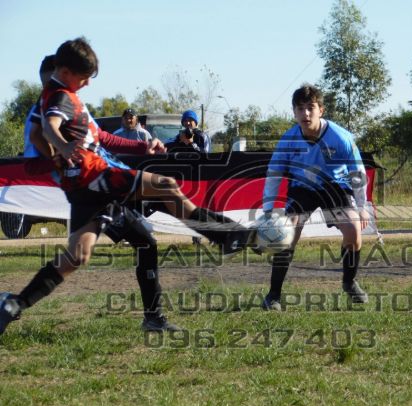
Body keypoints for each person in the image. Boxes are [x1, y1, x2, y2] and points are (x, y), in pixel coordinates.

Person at [0, 37, 253, 335]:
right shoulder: (59, 97)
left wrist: (141, 146)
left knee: (84, 254)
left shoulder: (55, 100)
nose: (87, 84)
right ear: (64, 72)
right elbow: (46, 134)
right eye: (84, 77)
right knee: (166, 187)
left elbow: (95, 137)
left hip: (88, 189)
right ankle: (226, 235)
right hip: (97, 180)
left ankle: (14, 305)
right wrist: (63, 152)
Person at [260, 84, 370, 311]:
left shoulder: (341, 138)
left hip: (335, 187)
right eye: (300, 109)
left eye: (311, 108)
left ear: (321, 110)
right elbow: (274, 173)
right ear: (294, 112)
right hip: (302, 188)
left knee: (353, 231)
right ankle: (273, 295)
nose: (306, 113)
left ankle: (349, 282)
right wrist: (268, 209)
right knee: (286, 233)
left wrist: (362, 206)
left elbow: (357, 172)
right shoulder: (288, 139)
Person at [23, 55, 56, 158]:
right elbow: (35, 136)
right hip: (43, 164)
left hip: (31, 162)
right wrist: (54, 158)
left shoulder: (36, 108)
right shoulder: (48, 106)